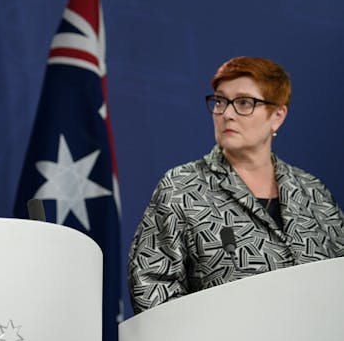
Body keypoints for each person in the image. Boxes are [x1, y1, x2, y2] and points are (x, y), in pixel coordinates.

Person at [128, 56, 344, 314]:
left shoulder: (313, 192)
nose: (227, 114)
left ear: (277, 116)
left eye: (244, 103)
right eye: (220, 101)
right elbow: (151, 290)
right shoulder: (181, 188)